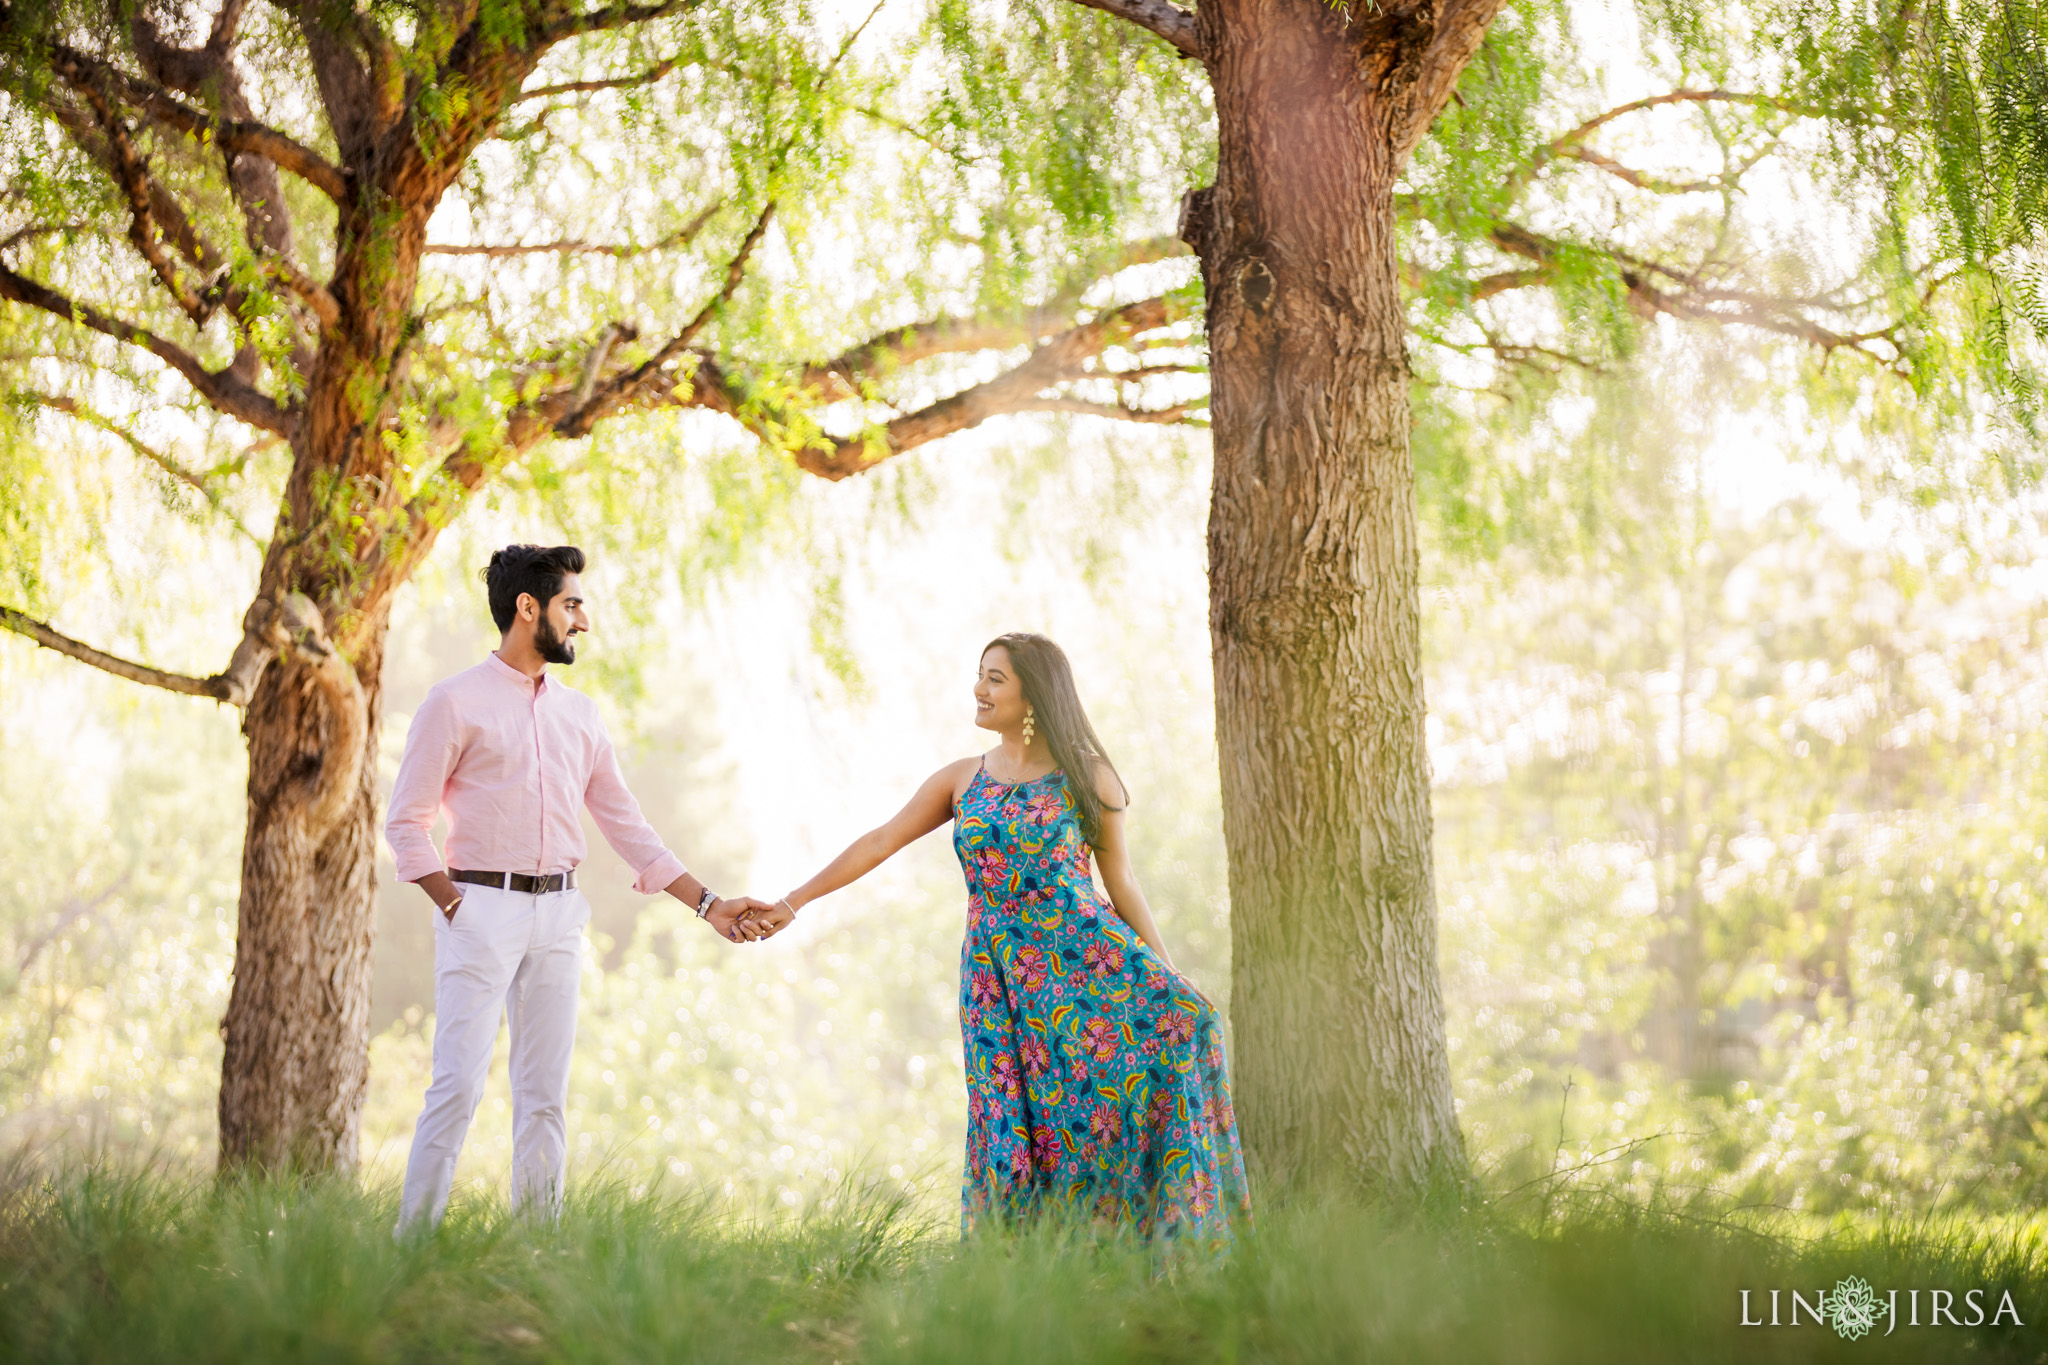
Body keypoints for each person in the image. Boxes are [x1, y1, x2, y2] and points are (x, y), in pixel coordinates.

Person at [748, 632, 1251, 1240]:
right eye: (980, 675)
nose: (979, 690)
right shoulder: (963, 780)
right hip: (996, 983)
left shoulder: (1089, 778)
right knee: (1010, 1119)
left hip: (1083, 966)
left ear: (1033, 695)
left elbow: (1120, 880)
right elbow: (881, 841)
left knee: (1112, 1087)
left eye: (994, 678)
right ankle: (1021, 1265)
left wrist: (1164, 971)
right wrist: (791, 903)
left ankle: (1143, 1241)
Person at [385, 544, 774, 1232]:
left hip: (560, 915)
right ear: (527, 607)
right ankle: (411, 1246)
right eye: (572, 604)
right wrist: (456, 906)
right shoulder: (454, 702)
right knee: (457, 1088)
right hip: (480, 908)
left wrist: (709, 904)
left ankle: (537, 1252)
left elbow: (629, 826)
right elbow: (407, 823)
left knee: (544, 1099)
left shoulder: (581, 716)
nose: (583, 621)